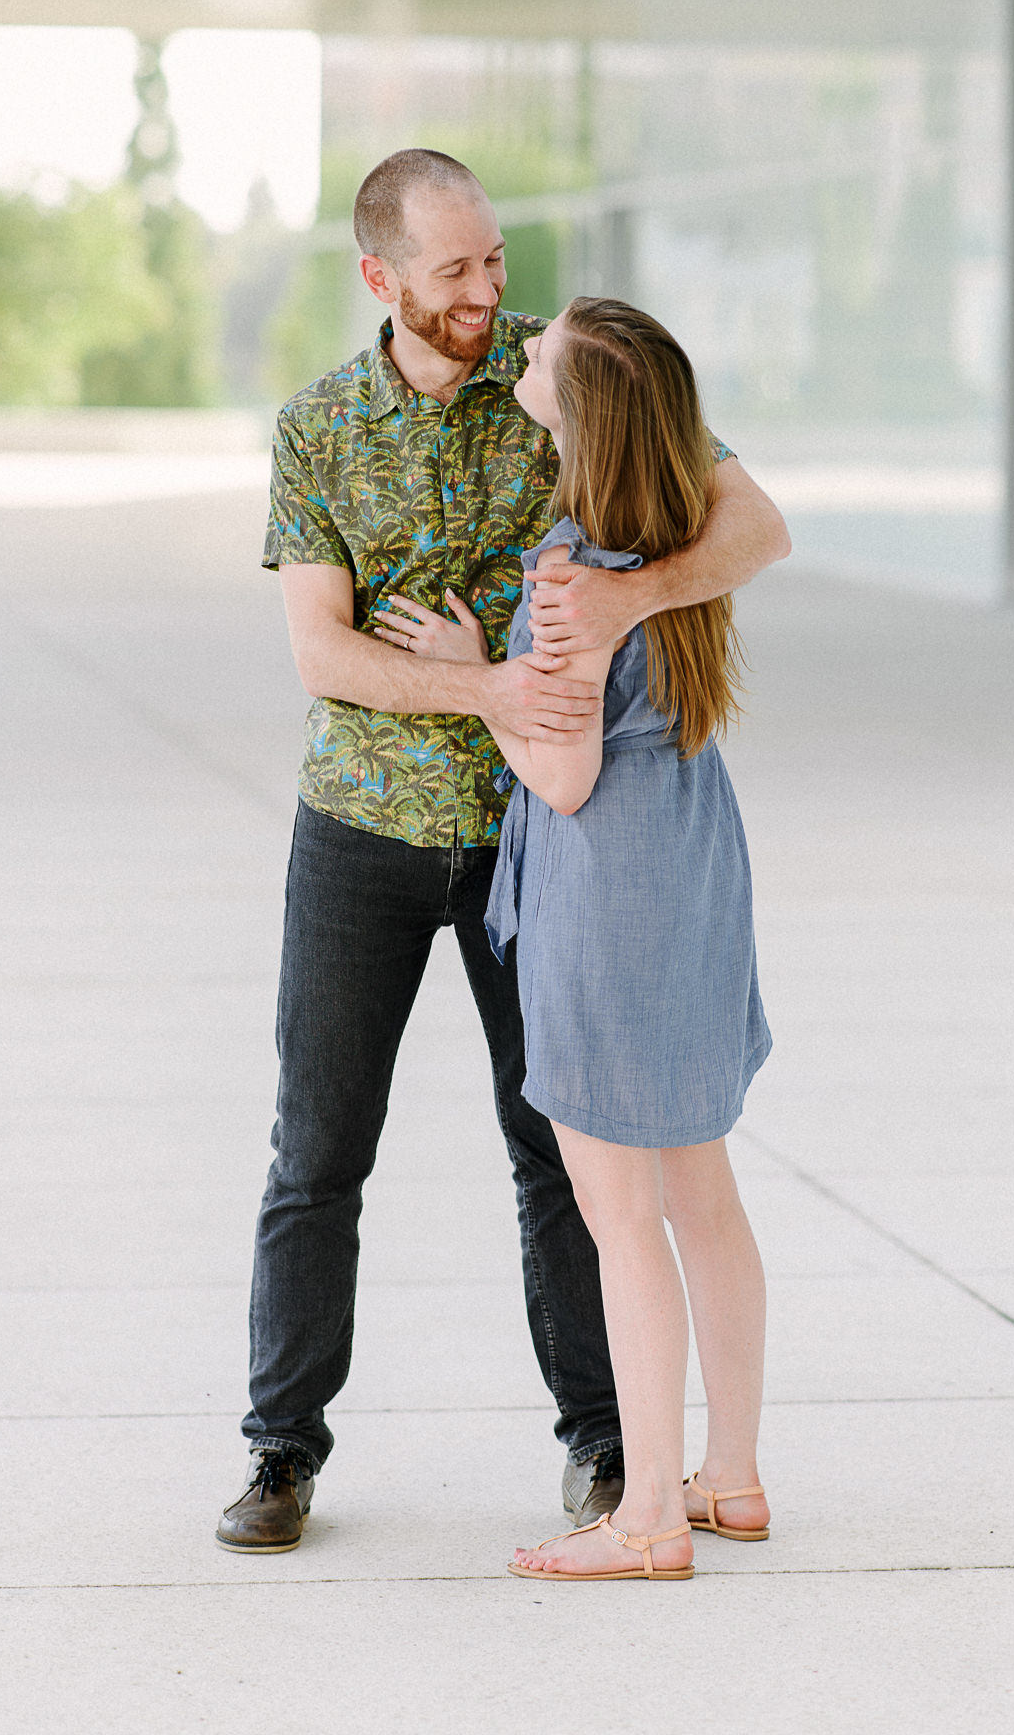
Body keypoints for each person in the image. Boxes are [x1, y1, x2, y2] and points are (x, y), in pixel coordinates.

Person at [217, 152, 790, 1551]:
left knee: (559, 1160)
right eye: (457, 271)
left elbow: (753, 526)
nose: (489, 293)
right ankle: (282, 1451)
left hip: (537, 845)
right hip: (362, 826)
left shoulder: (569, 370)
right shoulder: (319, 428)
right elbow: (320, 650)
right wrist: (486, 685)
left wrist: (615, 602)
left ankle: (611, 1457)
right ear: (382, 278)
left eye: (494, 263)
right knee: (318, 1150)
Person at [395, 297, 782, 1582]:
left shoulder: (571, 575)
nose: (526, 342)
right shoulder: (674, 538)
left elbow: (559, 779)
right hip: (691, 880)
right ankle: (730, 1474)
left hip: (605, 903)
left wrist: (482, 673)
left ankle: (648, 1515)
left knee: (620, 1219)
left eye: (546, 347)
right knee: (705, 1196)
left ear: (581, 408)